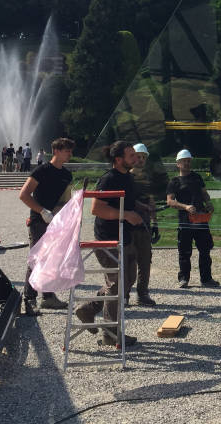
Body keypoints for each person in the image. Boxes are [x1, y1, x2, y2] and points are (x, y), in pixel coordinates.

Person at [74, 141, 145, 348]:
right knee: (117, 283)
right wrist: (127, 215)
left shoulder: (127, 177)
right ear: (118, 159)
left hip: (126, 236)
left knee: (128, 278)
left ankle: (87, 309)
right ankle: (110, 334)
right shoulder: (108, 179)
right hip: (108, 239)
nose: (136, 158)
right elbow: (96, 209)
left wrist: (140, 207)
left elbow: (125, 203)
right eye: (131, 155)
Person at [18, 136, 75, 315]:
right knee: (37, 259)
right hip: (39, 221)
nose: (70, 154)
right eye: (67, 150)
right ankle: (29, 299)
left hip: (57, 222)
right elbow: (24, 194)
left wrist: (64, 214)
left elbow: (66, 199)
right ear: (56, 150)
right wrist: (42, 211)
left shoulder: (67, 174)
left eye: (71, 151)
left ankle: (48, 297)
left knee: (52, 260)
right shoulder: (41, 171)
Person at [166, 148, 218, 289]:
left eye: (189, 161)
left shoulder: (197, 177)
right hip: (185, 221)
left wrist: (209, 203)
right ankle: (184, 279)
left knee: (205, 250)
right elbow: (170, 201)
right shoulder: (174, 182)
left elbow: (204, 193)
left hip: (200, 219)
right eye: (184, 161)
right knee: (184, 252)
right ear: (178, 164)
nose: (187, 163)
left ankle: (206, 279)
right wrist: (185, 207)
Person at [126, 142, 158, 307]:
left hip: (144, 225)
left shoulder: (147, 178)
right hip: (129, 226)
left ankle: (142, 294)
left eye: (144, 157)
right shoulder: (127, 177)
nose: (141, 160)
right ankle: (124, 294)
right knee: (128, 262)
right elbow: (129, 201)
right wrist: (144, 207)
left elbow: (151, 201)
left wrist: (155, 223)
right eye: (138, 156)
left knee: (145, 261)